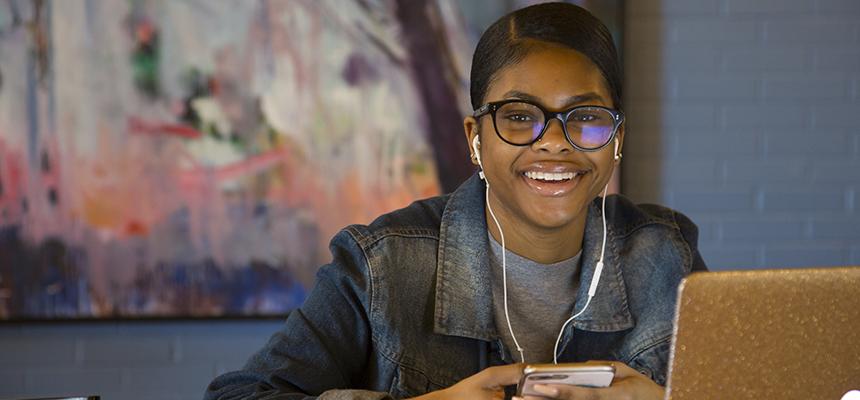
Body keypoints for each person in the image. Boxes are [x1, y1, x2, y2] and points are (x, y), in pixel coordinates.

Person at [204, 3, 707, 400]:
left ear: (617, 138)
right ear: (475, 138)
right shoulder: (381, 264)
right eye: (518, 116)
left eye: (586, 117)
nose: (554, 142)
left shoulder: (667, 253)